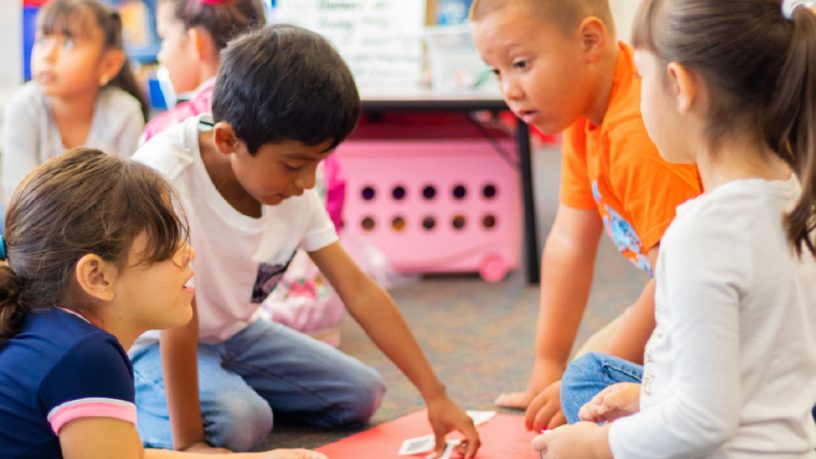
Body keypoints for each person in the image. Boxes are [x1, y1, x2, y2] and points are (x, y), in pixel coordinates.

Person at [131, 24, 480, 458]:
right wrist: (192, 444)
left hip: (233, 333)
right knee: (242, 422)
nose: (308, 182)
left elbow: (358, 290)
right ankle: (140, 404)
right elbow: (177, 319)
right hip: (153, 342)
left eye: (319, 162)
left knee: (362, 393)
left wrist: (435, 394)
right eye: (295, 165)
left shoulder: (287, 184)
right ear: (228, 139)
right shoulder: (166, 175)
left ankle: (221, 390)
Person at [534, 0, 816, 457]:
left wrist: (598, 445)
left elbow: (704, 421)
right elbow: (765, 365)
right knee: (592, 382)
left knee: (583, 390)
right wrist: (648, 400)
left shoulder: (701, 235)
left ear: (680, 87)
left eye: (641, 78)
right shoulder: (796, 201)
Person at [0, 148, 325, 459]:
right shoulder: (87, 357)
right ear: (97, 276)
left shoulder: (53, 330)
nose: (188, 252)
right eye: (167, 244)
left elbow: (132, 456)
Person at [469, 0, 701, 430]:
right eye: (496, 71)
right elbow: (569, 242)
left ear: (590, 41)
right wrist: (548, 366)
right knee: (579, 378)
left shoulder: (637, 131)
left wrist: (586, 380)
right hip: (683, 292)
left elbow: (679, 278)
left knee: (584, 390)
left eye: (521, 64)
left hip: (718, 302)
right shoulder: (584, 108)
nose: (509, 90)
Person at [1, 0, 147, 202]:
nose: (47, 55)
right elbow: (17, 199)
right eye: (42, 40)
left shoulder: (124, 113)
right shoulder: (24, 107)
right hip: (35, 221)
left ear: (109, 65)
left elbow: (131, 200)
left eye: (67, 44)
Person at [142, 0, 265, 141]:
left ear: (197, 41)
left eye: (164, 38)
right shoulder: (271, 109)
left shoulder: (165, 133)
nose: (161, 56)